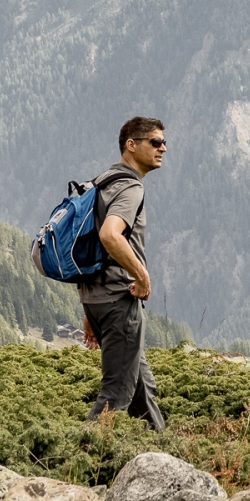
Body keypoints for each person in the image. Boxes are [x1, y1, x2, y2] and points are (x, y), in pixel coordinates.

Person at [78, 117, 167, 430]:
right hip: (120, 300)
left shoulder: (100, 183)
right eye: (155, 142)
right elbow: (108, 236)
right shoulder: (129, 187)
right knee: (115, 395)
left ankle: (163, 459)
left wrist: (88, 309)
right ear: (131, 145)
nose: (163, 149)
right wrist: (141, 275)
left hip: (97, 299)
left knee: (143, 391)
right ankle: (78, 463)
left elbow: (84, 248)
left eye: (163, 142)